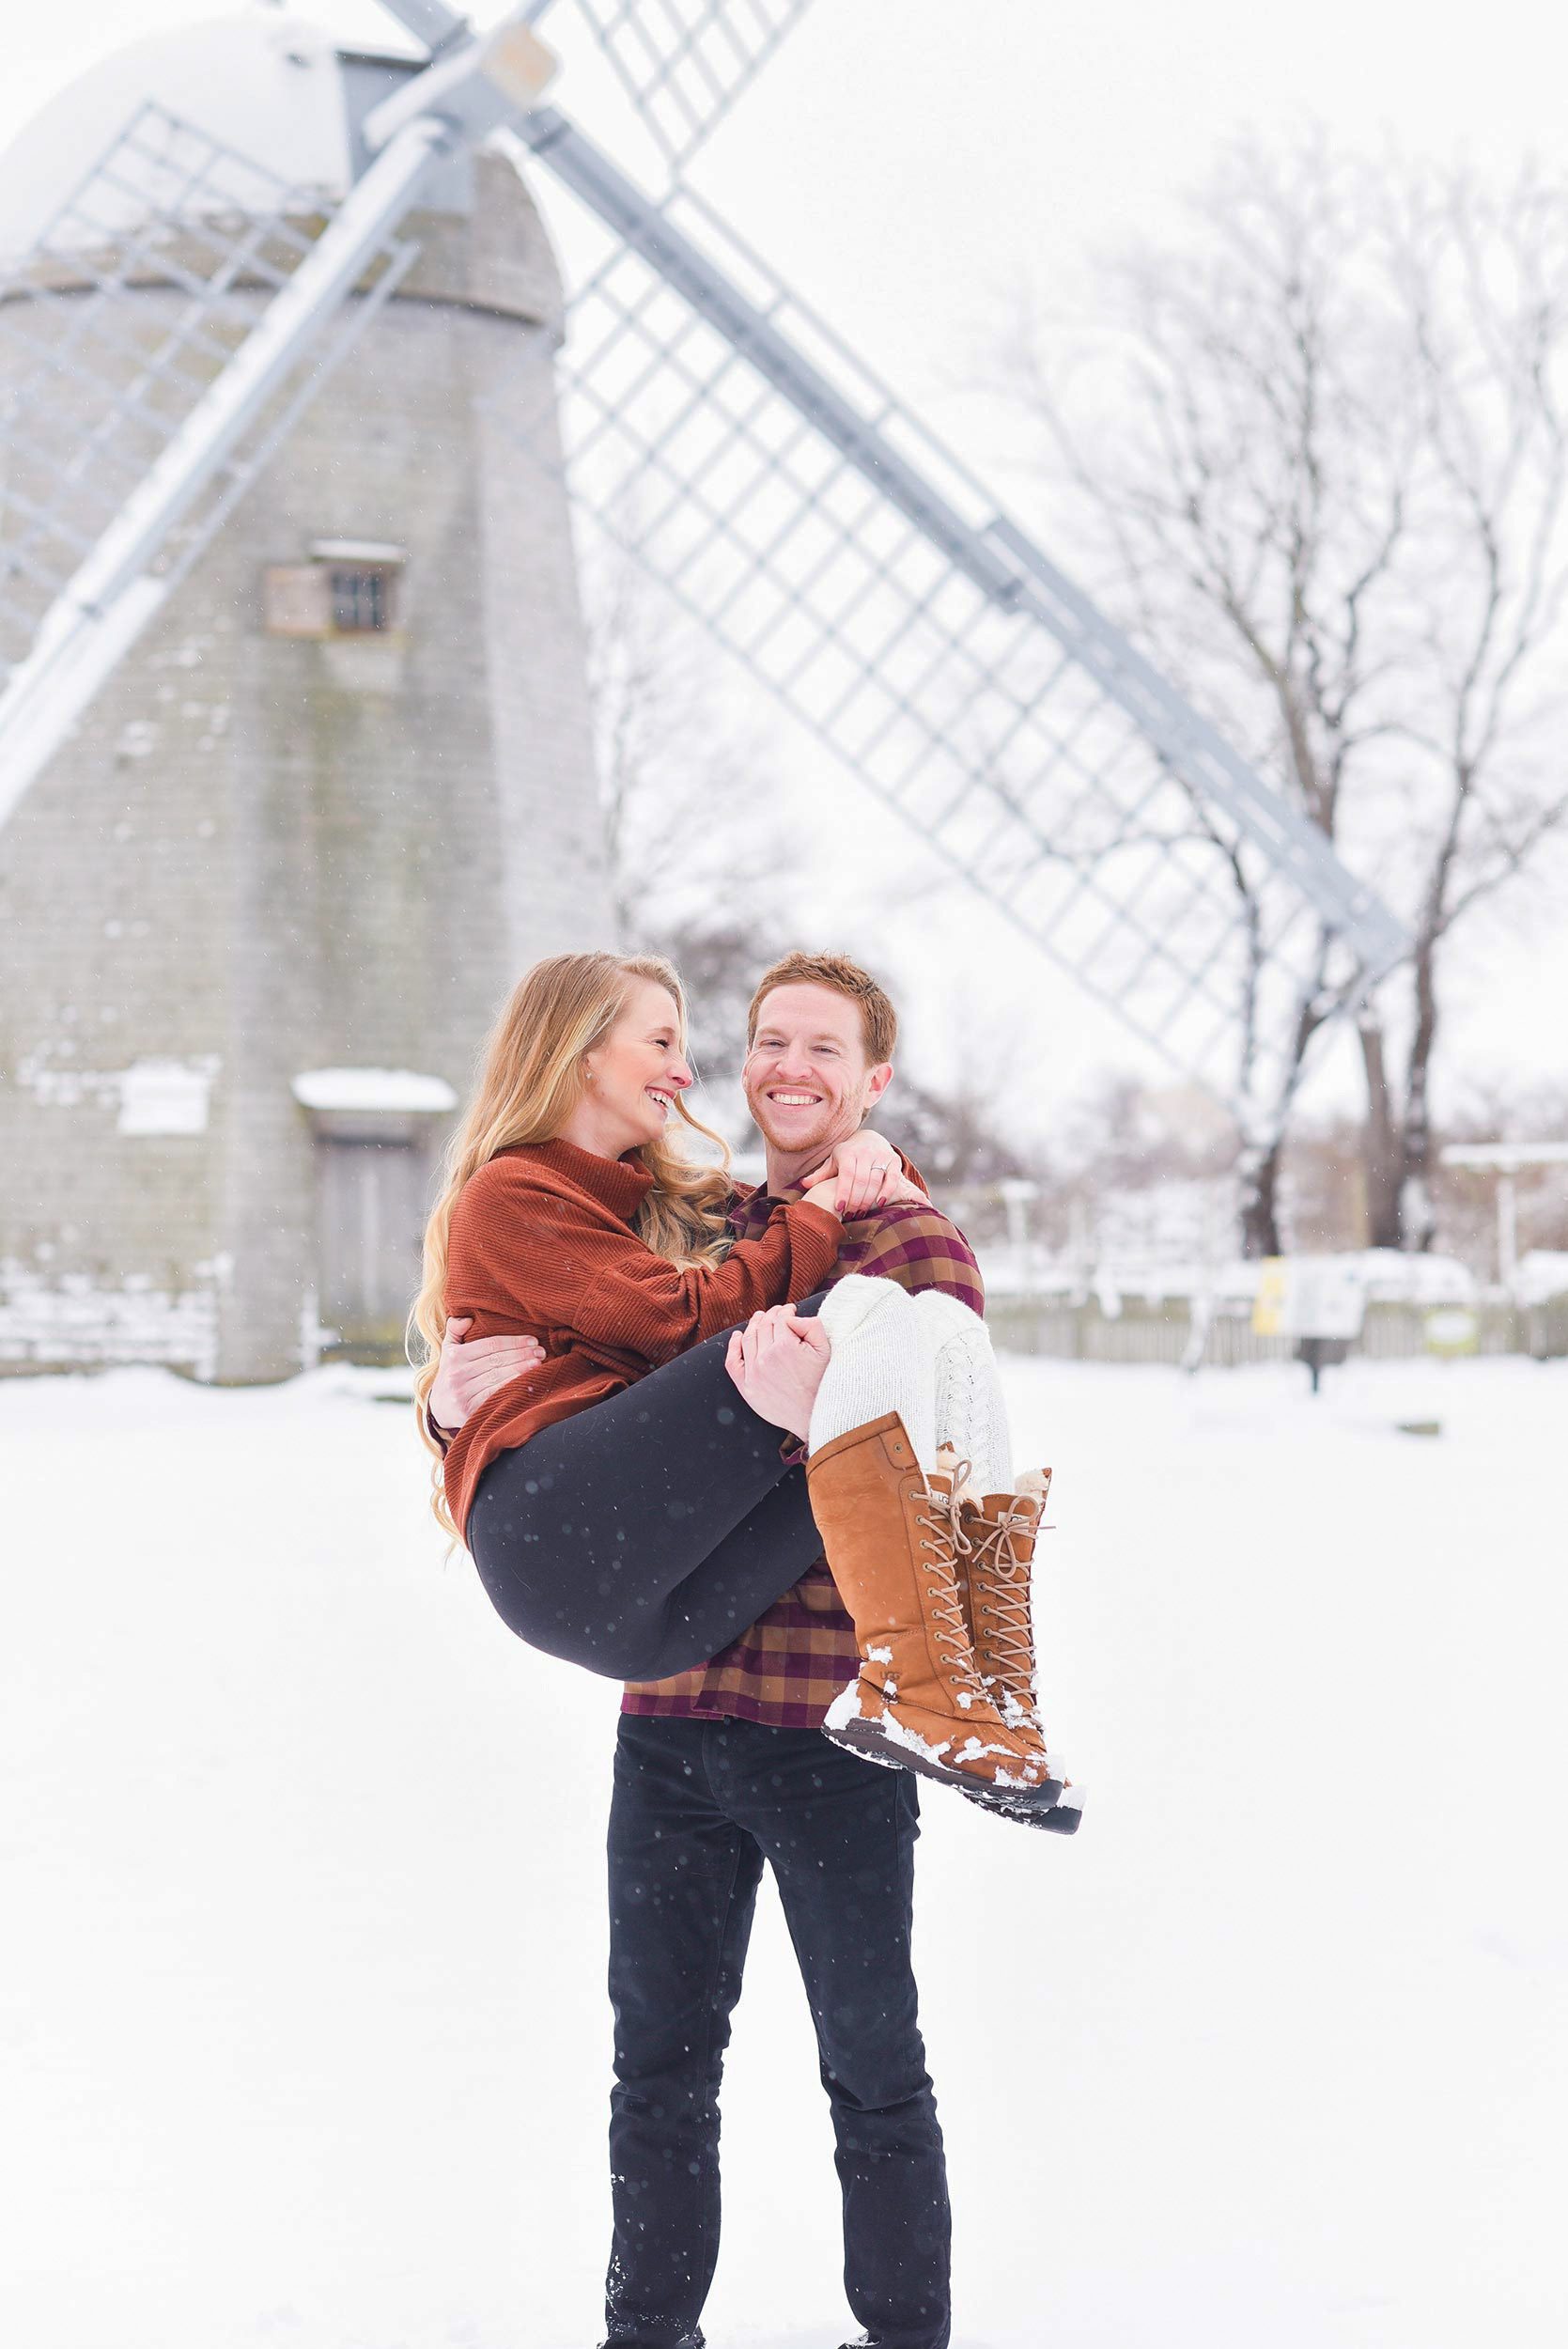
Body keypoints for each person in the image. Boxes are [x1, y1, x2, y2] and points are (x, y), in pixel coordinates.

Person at [419, 949, 1079, 2349]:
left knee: (873, 2069)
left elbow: (940, 1450)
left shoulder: (911, 1245)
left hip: (821, 1731)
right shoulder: (694, 1226)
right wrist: (453, 1406)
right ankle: (646, 2335)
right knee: (655, 2071)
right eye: (768, 1042)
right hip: (667, 1719)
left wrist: (848, 1370)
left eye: (823, 1050)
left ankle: (900, 2337)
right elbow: (590, 1382)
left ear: (873, 1080)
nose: (787, 1069)